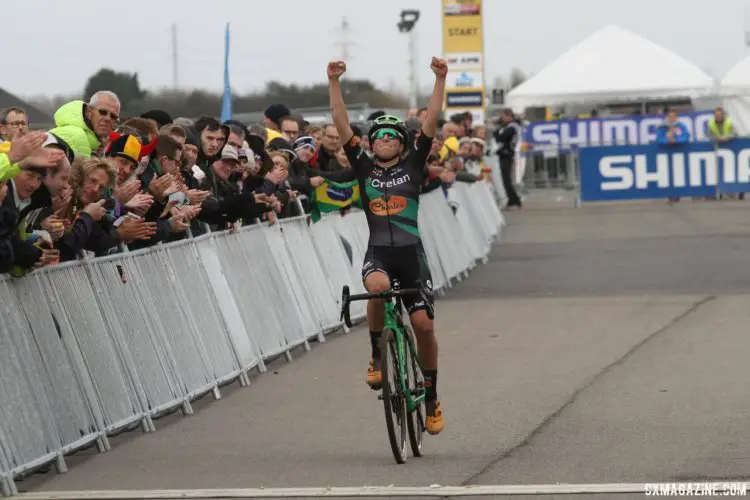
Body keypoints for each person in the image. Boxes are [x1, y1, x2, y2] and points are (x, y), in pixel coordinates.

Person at [327, 56, 447, 435]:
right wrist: (333, 81)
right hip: (379, 253)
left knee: (423, 326)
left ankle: (430, 396)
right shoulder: (362, 167)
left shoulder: (413, 166)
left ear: (402, 143)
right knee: (377, 290)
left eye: (391, 135)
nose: (383, 140)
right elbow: (340, 121)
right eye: (377, 135)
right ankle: (377, 355)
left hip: (412, 255)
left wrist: (440, 79)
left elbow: (430, 121)